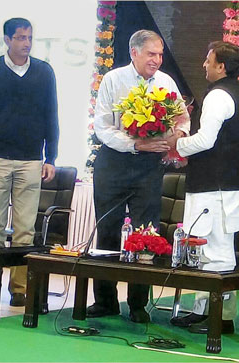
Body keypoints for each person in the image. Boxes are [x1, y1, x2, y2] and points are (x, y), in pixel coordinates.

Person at [89, 29, 189, 323]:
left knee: (146, 233)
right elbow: (103, 128)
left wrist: (176, 136)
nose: (157, 60)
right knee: (107, 229)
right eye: (151, 54)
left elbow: (183, 118)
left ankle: (137, 304)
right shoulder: (113, 79)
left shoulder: (166, 82)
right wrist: (135, 142)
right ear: (134, 53)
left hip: (149, 166)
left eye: (160, 54)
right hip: (114, 162)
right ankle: (105, 300)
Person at [167, 41, 239, 334]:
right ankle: (204, 310)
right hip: (220, 183)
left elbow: (205, 140)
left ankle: (221, 317)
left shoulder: (219, 96)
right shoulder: (234, 92)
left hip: (216, 186)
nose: (204, 65)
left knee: (216, 252)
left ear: (221, 66)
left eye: (208, 61)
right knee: (206, 251)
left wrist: (176, 145)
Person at [0, 18, 59, 307]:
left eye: (30, 38)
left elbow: (51, 116)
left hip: (31, 160)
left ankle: (19, 289)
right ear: (7, 40)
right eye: (20, 38)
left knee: (25, 228)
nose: (26, 43)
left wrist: (51, 156)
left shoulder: (44, 72)